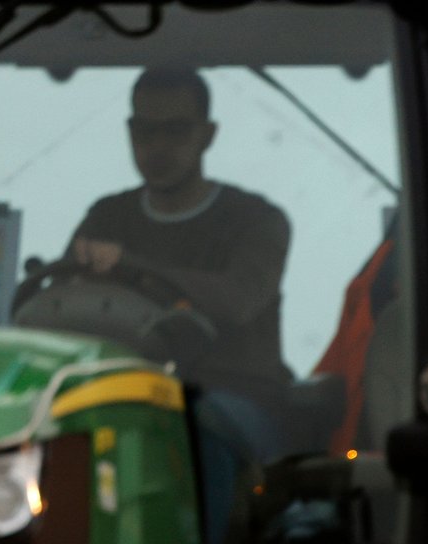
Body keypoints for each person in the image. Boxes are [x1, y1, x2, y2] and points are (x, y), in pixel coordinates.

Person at [68, 67, 292, 405]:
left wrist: (128, 267)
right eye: (145, 131)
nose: (158, 147)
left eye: (176, 131)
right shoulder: (106, 217)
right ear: (130, 132)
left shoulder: (256, 221)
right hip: (124, 393)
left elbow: (237, 301)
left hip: (236, 402)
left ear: (208, 134)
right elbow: (64, 301)